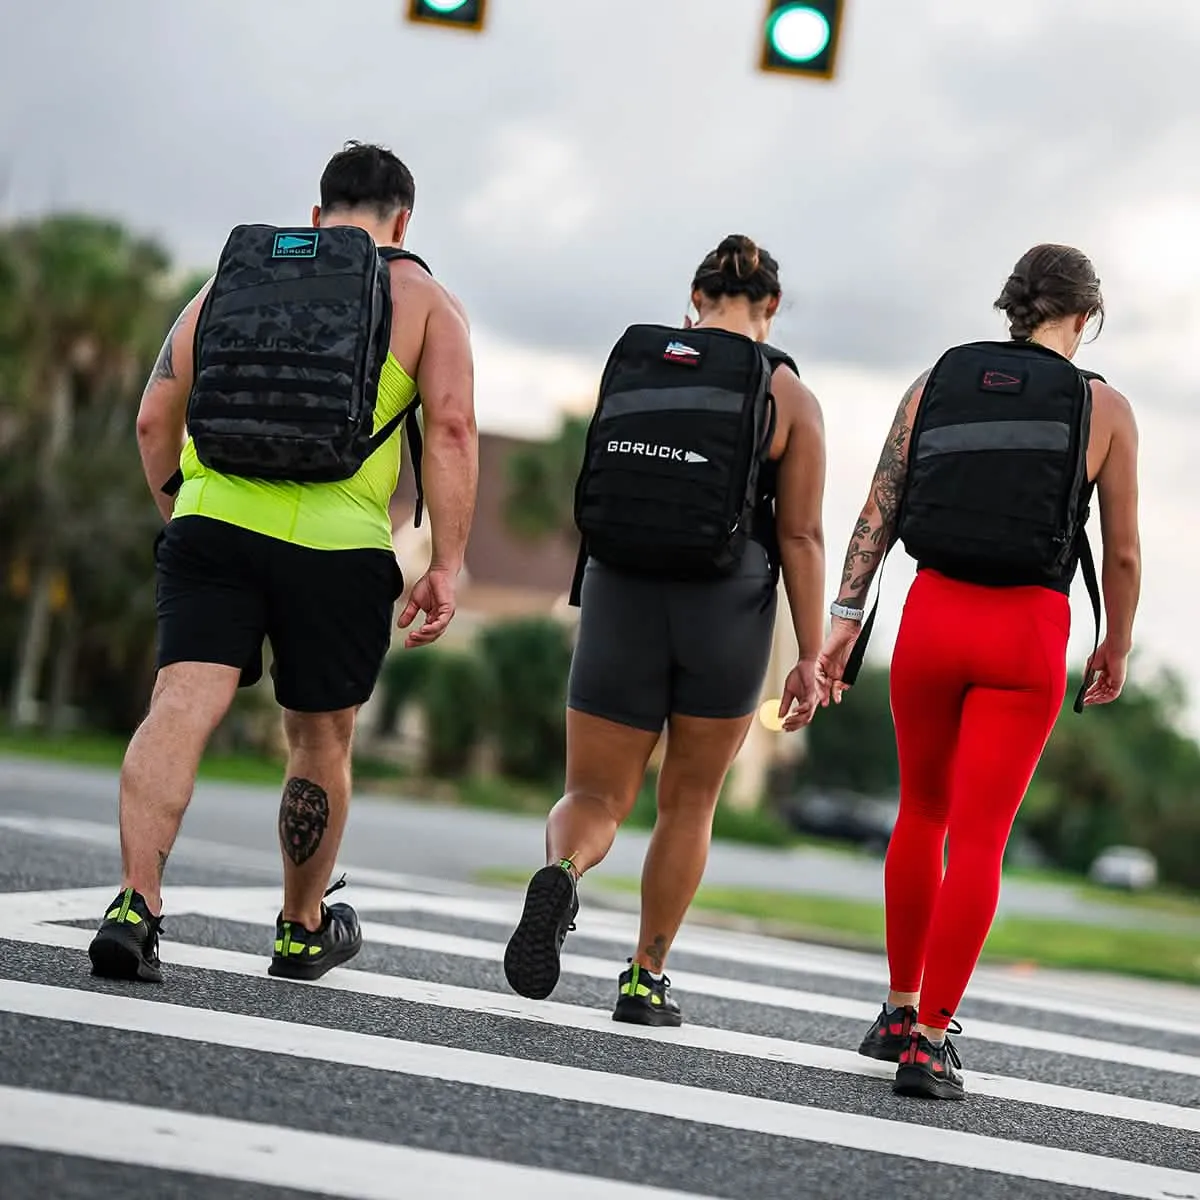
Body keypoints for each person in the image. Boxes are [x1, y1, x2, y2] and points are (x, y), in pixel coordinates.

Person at [87, 141, 478, 985]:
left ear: (316, 216)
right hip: (337, 549)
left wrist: (186, 512)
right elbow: (450, 429)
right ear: (403, 220)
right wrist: (446, 563)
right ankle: (302, 927)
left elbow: (157, 416)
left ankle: (136, 902)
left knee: (180, 706)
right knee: (319, 738)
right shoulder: (425, 299)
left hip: (212, 523)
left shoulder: (230, 280)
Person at [817, 243, 1141, 1099]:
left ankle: (897, 1009)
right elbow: (1125, 553)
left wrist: (845, 620)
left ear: (1011, 309)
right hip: (1026, 632)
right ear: (1087, 316)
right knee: (982, 837)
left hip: (930, 617)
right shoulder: (1103, 407)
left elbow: (877, 509)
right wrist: (1117, 641)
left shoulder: (935, 383)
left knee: (919, 812)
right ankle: (929, 1044)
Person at [502, 235, 827, 1025]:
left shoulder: (641, 364)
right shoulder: (788, 395)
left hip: (621, 595)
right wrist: (812, 655)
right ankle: (645, 977)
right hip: (727, 608)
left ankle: (567, 869)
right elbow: (802, 538)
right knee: (688, 803)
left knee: (593, 795)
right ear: (772, 307)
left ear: (695, 296)